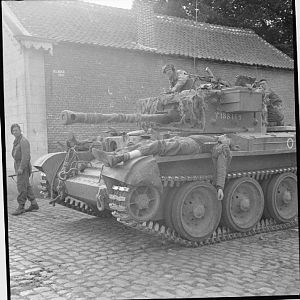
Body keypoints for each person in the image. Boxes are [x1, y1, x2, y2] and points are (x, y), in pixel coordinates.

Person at [92, 134, 235, 200]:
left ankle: (118, 158)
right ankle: (114, 156)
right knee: (147, 145)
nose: (225, 137)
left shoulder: (222, 147)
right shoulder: (216, 138)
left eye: (227, 138)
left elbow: (221, 167)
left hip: (193, 146)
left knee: (159, 146)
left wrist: (220, 187)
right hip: (186, 139)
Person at [11, 124, 39, 215]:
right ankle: (34, 204)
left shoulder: (23, 141)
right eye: (13, 130)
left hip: (23, 166)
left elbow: (26, 157)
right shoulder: (16, 141)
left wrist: (21, 168)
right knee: (26, 185)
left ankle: (21, 206)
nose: (15, 132)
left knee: (21, 186)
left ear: (20, 130)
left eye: (16, 130)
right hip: (18, 164)